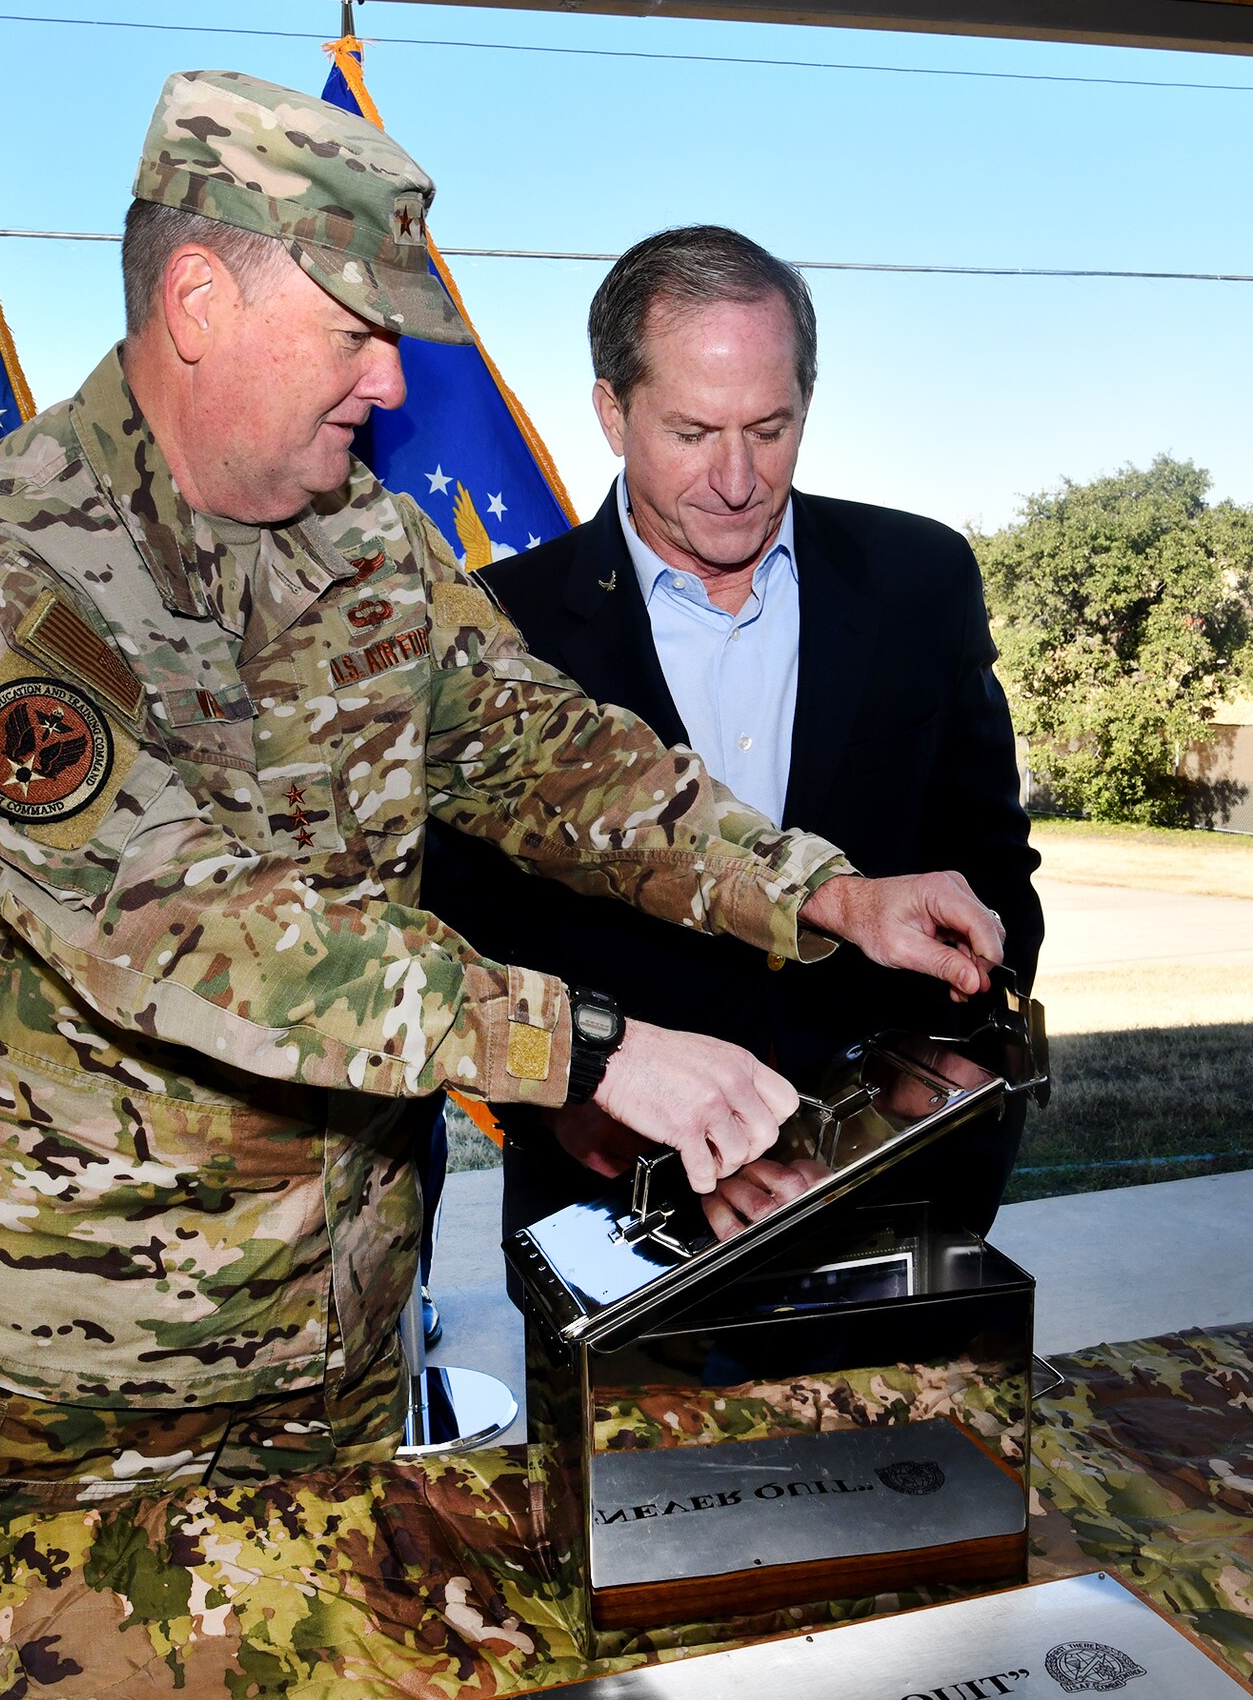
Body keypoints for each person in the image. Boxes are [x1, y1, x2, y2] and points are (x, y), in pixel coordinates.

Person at [0, 80, 1004, 1534]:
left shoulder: (363, 540)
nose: (391, 383)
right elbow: (181, 927)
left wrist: (819, 890)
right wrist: (585, 1045)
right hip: (53, 1389)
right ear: (201, 299)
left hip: (339, 1346)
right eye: (355, 333)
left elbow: (554, 757)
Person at [427, 225, 1042, 1249]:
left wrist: (943, 1066)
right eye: (692, 431)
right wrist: (572, 1099)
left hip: (894, 1194)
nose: (736, 476)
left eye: (770, 426)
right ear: (611, 413)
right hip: (616, 1213)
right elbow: (461, 916)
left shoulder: (917, 576)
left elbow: (990, 870)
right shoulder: (499, 625)